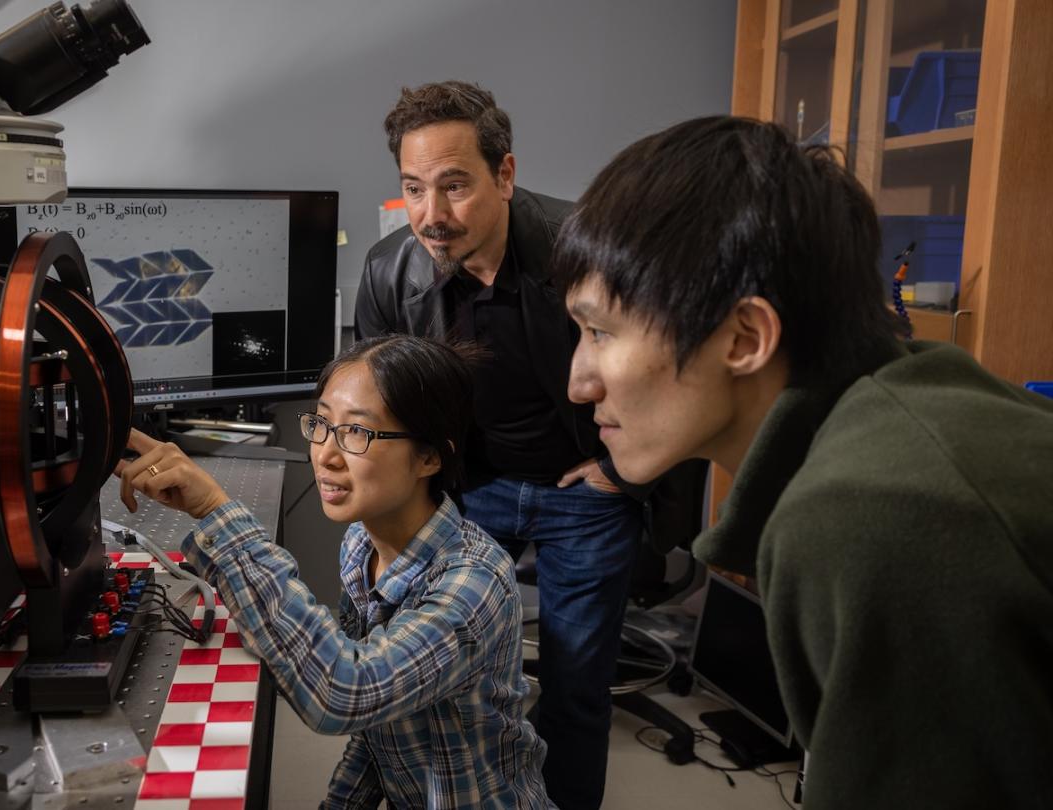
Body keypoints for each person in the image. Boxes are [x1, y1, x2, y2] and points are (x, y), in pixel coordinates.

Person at [553, 115, 1053, 808]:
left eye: (601, 332)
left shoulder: (876, 512)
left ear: (746, 336)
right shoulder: (907, 403)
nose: (580, 382)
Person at [354, 79, 642, 809]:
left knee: (576, 683)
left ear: (505, 175)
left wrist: (621, 468)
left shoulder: (589, 252)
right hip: (466, 486)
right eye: (414, 189)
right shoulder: (390, 271)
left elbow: (663, 366)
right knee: (445, 673)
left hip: (581, 489)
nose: (431, 215)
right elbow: (381, 400)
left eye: (454, 186)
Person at [117, 335, 552, 809]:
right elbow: (380, 730)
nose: (325, 454)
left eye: (357, 433)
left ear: (430, 457)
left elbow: (346, 691)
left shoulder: (474, 581)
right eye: (321, 424)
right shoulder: (360, 547)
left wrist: (215, 509)